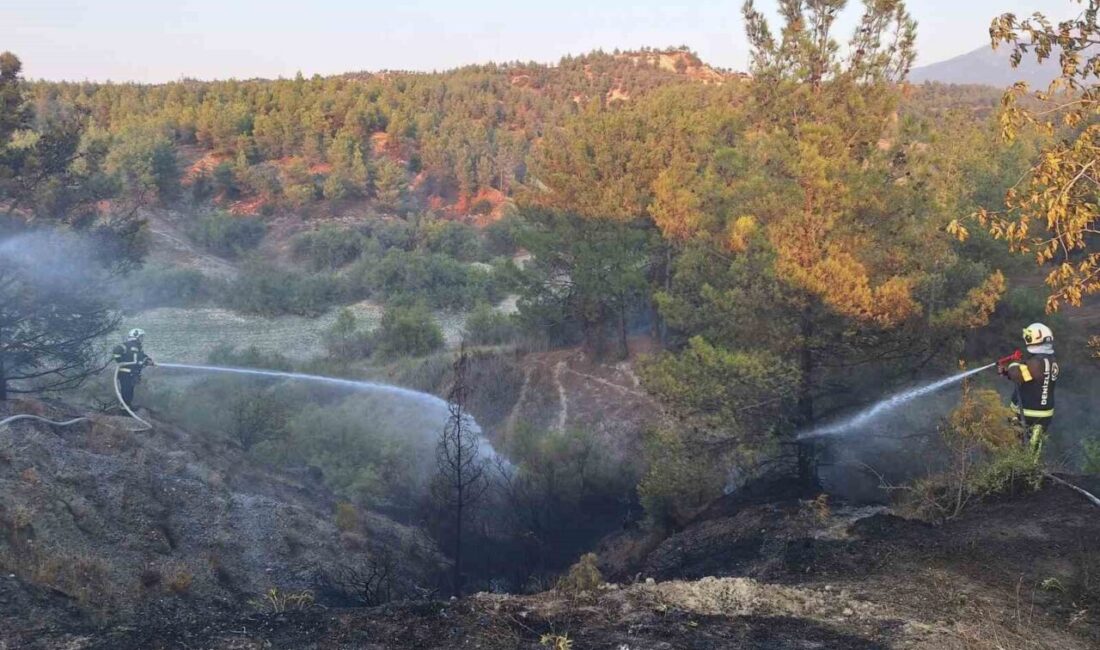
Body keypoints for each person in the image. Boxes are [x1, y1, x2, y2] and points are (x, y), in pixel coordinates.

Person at [999, 322, 1059, 456]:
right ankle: (1029, 472)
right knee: (1033, 450)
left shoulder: (1037, 362)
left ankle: (1019, 473)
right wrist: (1007, 372)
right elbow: (1027, 376)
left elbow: (1018, 375)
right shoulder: (1051, 360)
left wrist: (1013, 364)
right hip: (1044, 414)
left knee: (1017, 448)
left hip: (1024, 413)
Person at [112, 328, 155, 410]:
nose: (142, 339)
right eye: (141, 337)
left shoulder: (138, 348)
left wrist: (148, 360)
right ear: (136, 336)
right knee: (126, 390)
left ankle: (128, 406)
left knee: (130, 390)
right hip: (125, 373)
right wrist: (120, 361)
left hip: (133, 373)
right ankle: (124, 409)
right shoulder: (126, 345)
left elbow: (142, 356)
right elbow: (116, 351)